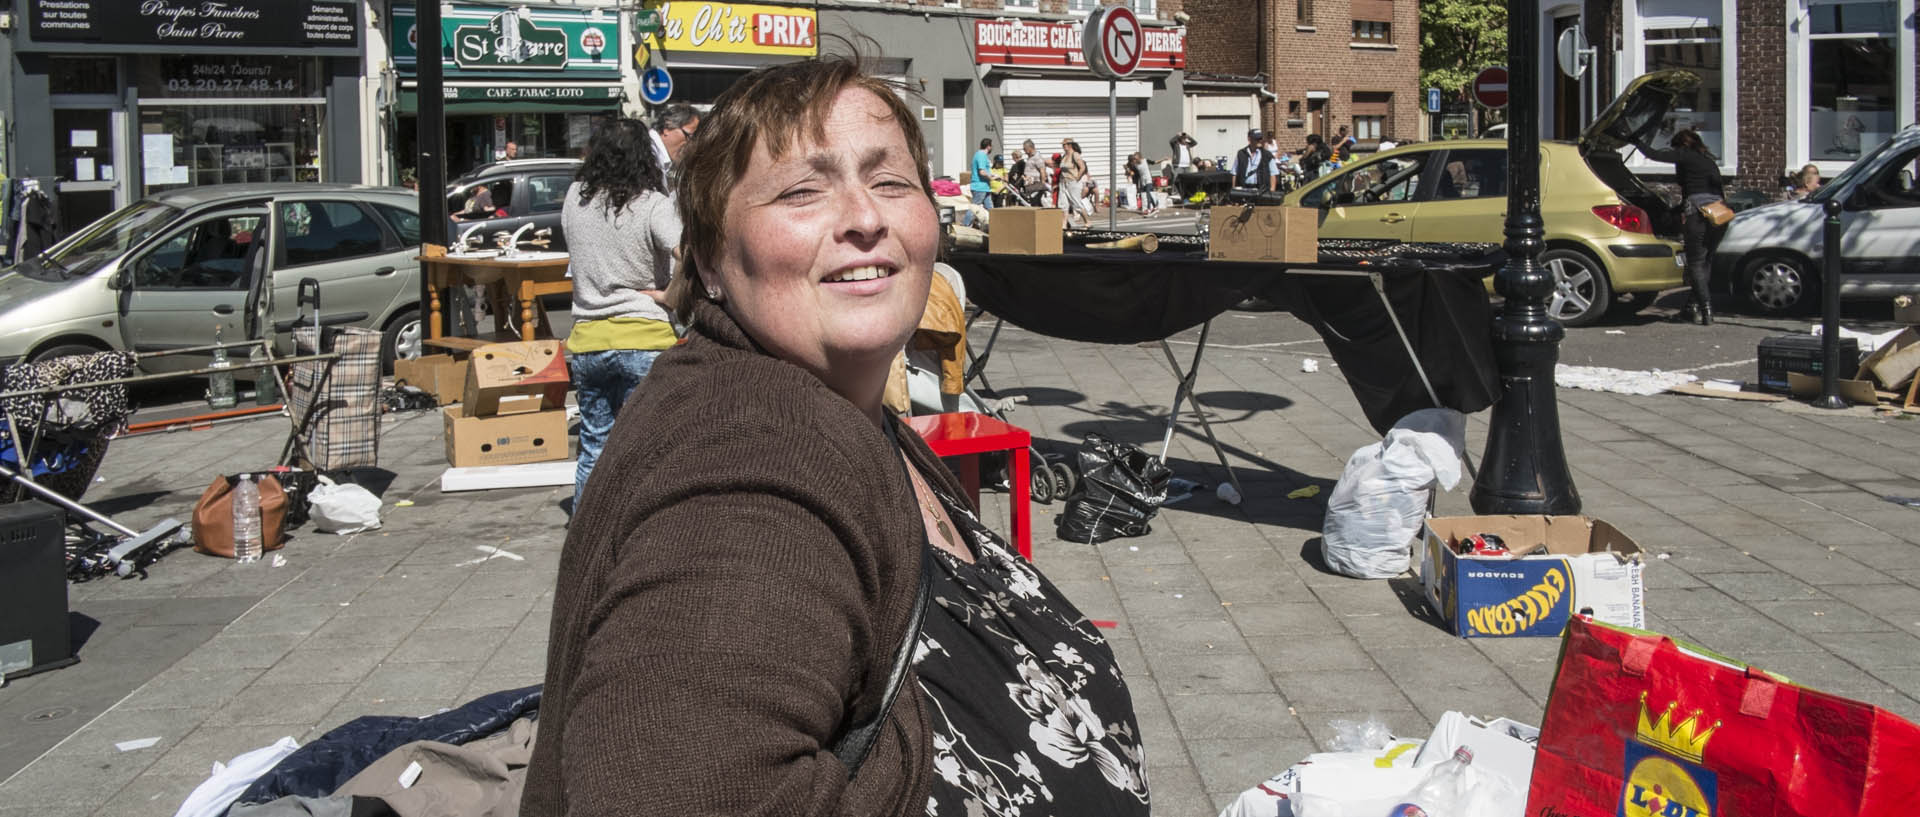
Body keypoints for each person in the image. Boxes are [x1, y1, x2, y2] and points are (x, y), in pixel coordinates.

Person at [524, 56, 1148, 817]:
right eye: (801, 190)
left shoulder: (844, 412)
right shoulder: (750, 469)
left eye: (891, 182)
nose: (864, 217)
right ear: (712, 259)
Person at [558, 118, 678, 503]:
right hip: (645, 336)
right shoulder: (652, 204)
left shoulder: (576, 197)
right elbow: (691, 254)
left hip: (588, 341)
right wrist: (668, 296)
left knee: (594, 445)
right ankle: (640, 538)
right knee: (649, 450)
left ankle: (586, 537)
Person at [1634, 129, 1725, 325]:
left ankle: (1706, 310)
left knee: (1695, 264)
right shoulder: (1708, 161)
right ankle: (1691, 309)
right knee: (1706, 262)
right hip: (1719, 216)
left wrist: (1634, 140)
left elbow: (1654, 155)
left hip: (1698, 214)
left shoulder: (1685, 155)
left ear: (1681, 145)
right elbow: (1715, 189)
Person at [650, 103, 702, 182]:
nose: (691, 144)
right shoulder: (647, 152)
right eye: (689, 136)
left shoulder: (661, 158)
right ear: (667, 128)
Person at [1058, 139, 1093, 228]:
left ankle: (1087, 221)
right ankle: (1064, 224)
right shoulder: (1064, 155)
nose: (1063, 146)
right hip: (1063, 182)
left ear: (1070, 145)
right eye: (1063, 145)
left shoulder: (1075, 154)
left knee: (1076, 203)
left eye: (1065, 144)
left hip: (1072, 182)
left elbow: (1082, 167)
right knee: (1063, 204)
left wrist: (1077, 178)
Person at [969, 138, 995, 216]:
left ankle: (994, 225)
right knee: (974, 208)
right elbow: (982, 172)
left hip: (985, 187)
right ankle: (965, 224)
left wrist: (992, 175)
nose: (992, 148)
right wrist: (991, 177)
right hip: (980, 187)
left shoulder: (980, 155)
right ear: (988, 147)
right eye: (992, 146)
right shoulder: (981, 155)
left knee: (990, 208)